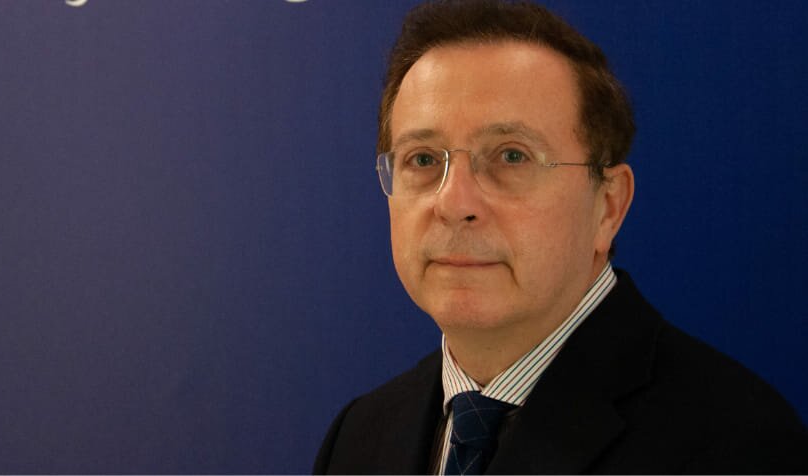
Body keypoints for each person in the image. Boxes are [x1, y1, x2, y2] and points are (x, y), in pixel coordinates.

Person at [312, 0, 808, 474]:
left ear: (607, 206)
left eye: (511, 156)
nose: (454, 204)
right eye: (422, 159)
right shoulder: (359, 436)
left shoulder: (737, 444)